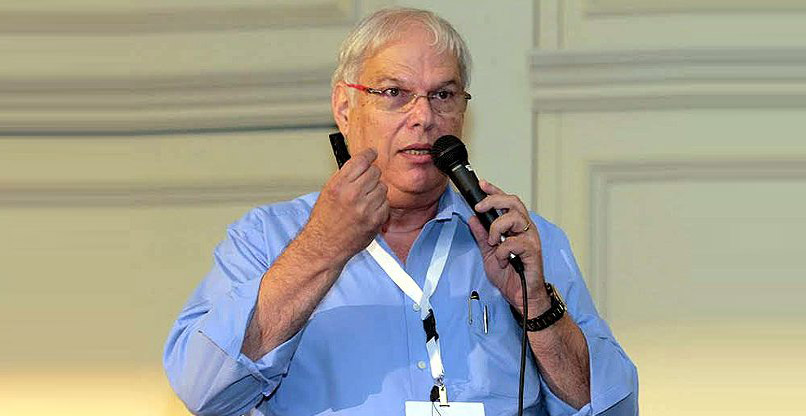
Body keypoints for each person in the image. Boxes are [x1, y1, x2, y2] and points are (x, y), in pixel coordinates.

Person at [163, 7, 638, 416]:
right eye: (394, 93)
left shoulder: (519, 242)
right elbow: (204, 390)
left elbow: (614, 408)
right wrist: (323, 248)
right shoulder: (266, 239)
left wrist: (536, 307)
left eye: (443, 95)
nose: (424, 117)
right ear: (344, 107)